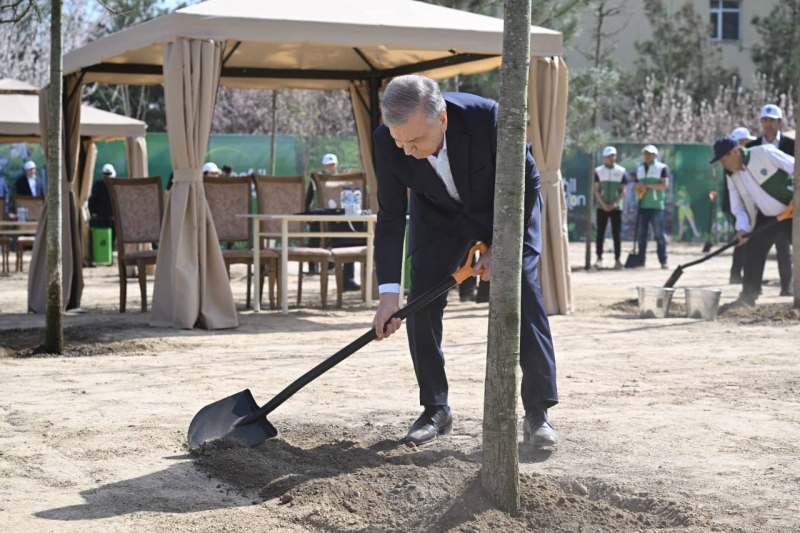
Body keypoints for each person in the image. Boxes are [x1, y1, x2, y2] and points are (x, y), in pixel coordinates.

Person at [371, 75, 558, 448]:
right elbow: (391, 216)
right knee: (421, 301)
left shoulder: (488, 119)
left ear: (441, 120)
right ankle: (435, 408)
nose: (406, 151)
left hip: (502, 210)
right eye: (399, 142)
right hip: (439, 217)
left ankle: (538, 411)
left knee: (523, 291)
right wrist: (388, 296)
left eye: (415, 141)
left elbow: (529, 185)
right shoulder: (388, 142)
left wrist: (499, 247)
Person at [709, 136, 794, 306]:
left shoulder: (764, 153)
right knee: (753, 250)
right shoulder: (731, 176)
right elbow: (738, 206)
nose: (723, 164)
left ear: (735, 151)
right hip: (767, 217)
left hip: (793, 212)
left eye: (724, 159)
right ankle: (748, 297)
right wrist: (742, 229)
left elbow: (796, 168)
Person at [745, 104, 794, 296]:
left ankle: (788, 288)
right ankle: (750, 293)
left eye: (772, 120)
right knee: (755, 249)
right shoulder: (752, 148)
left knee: (787, 252)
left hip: (792, 208)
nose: (768, 124)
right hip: (767, 211)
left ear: (779, 122)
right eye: (765, 120)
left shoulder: (792, 146)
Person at [724, 127, 757, 283]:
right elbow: (734, 197)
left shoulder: (753, 158)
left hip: (755, 208)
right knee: (741, 238)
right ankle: (736, 274)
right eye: (745, 141)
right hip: (740, 209)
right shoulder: (730, 165)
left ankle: (745, 276)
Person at [633, 145, 670, 269]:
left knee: (659, 235)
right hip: (642, 205)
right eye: (645, 153)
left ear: (655, 155)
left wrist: (647, 185)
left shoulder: (662, 168)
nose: (647, 156)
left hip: (656, 206)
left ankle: (663, 261)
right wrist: (638, 188)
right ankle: (641, 260)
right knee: (642, 235)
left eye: (650, 153)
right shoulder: (640, 169)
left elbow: (664, 185)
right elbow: (635, 187)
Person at [593, 145, 627, 269]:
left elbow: (623, 190)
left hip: (616, 208)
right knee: (600, 233)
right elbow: (596, 190)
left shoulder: (621, 171)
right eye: (608, 156)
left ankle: (618, 259)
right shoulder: (598, 171)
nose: (611, 158)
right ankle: (599, 258)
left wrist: (614, 203)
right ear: (604, 157)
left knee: (616, 233)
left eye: (612, 155)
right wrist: (603, 204)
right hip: (601, 207)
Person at [89, 164, 116, 231]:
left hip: (102, 217)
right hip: (111, 217)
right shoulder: (116, 185)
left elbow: (93, 200)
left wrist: (93, 211)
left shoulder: (98, 185)